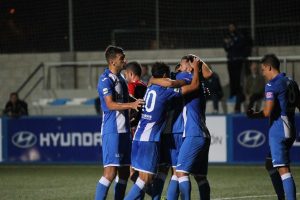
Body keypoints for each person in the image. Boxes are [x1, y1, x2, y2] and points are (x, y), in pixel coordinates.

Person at [124, 59, 201, 200]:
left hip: (138, 137)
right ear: (165, 74)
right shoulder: (166, 91)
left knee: (142, 177)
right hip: (150, 140)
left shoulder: (149, 88)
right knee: (144, 180)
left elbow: (158, 81)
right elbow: (193, 86)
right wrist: (193, 71)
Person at [151, 54, 213, 200]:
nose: (179, 67)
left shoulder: (186, 76)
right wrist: (196, 62)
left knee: (179, 173)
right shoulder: (200, 82)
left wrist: (153, 80)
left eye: (182, 64)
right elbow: (209, 73)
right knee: (200, 177)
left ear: (189, 67)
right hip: (204, 134)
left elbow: (169, 81)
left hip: (192, 133)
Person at [94, 45, 144, 200]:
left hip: (125, 131)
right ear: (112, 61)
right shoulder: (105, 79)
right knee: (110, 173)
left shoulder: (121, 79)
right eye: (121, 58)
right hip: (112, 131)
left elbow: (125, 98)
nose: (125, 60)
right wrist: (131, 105)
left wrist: (138, 102)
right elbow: (109, 104)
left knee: (123, 173)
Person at [247, 54, 299, 200]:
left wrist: (253, 115)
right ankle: (281, 196)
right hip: (291, 128)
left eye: (263, 70)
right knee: (270, 164)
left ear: (269, 67)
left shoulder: (272, 85)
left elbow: (267, 111)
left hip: (279, 130)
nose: (262, 73)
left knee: (283, 169)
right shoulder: (291, 82)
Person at [223, 23, 248, 113]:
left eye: (232, 26)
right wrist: (230, 43)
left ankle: (239, 96)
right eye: (229, 27)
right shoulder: (227, 36)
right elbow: (226, 47)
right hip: (231, 61)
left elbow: (240, 46)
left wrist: (231, 43)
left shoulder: (240, 36)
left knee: (238, 80)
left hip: (238, 61)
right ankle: (233, 94)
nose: (231, 28)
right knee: (232, 78)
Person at [124, 61, 147, 133]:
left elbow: (130, 103)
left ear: (130, 74)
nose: (125, 77)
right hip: (143, 121)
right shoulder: (144, 85)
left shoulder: (131, 85)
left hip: (134, 124)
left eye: (126, 74)